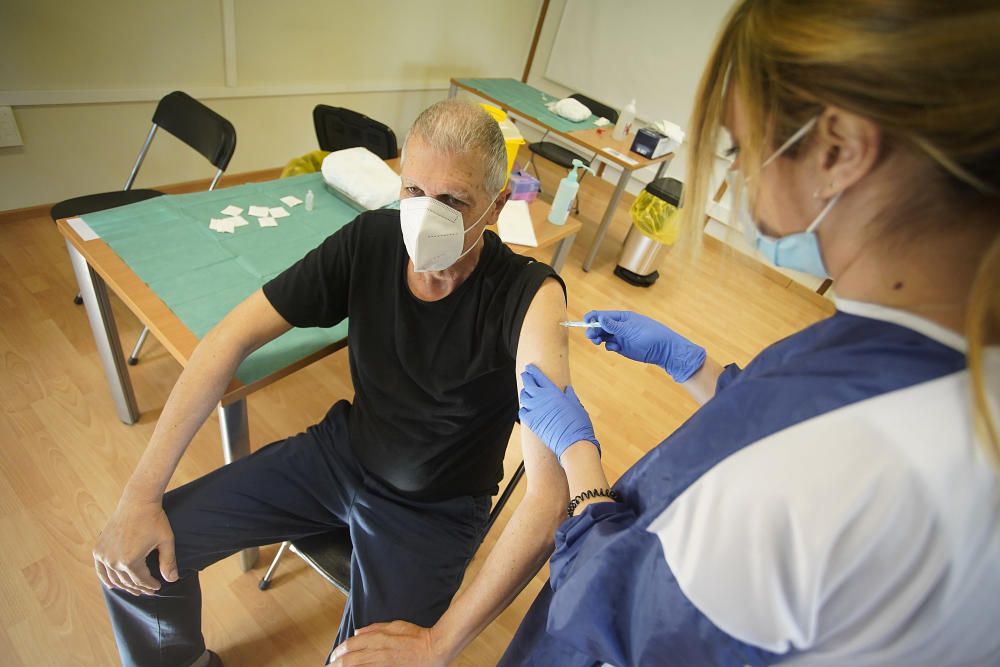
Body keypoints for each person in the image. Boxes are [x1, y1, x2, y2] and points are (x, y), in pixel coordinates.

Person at [498, 1, 1000, 665]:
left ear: (838, 149)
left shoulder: (826, 469)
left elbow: (613, 614)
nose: (735, 174)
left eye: (739, 146)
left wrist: (581, 462)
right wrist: (694, 365)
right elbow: (799, 407)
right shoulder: (930, 354)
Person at [92, 99, 573, 667]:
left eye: (451, 201)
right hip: (340, 456)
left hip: (434, 508)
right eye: (413, 191)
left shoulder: (530, 298)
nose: (424, 215)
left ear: (495, 207)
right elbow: (229, 339)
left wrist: (439, 645)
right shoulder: (370, 242)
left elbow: (551, 496)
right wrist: (139, 495)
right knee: (139, 558)